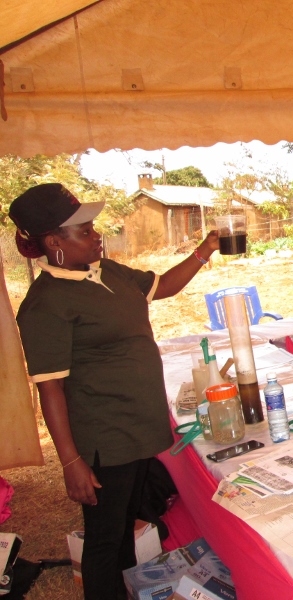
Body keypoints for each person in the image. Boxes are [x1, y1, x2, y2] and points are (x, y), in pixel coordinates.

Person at [11, 183, 220, 600]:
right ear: (54, 242)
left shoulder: (108, 272)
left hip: (138, 428)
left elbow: (164, 286)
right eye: (84, 231)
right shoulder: (45, 304)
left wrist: (204, 250)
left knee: (127, 524)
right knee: (105, 539)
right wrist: (71, 461)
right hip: (105, 439)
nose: (96, 235)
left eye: (93, 227)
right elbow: (50, 390)